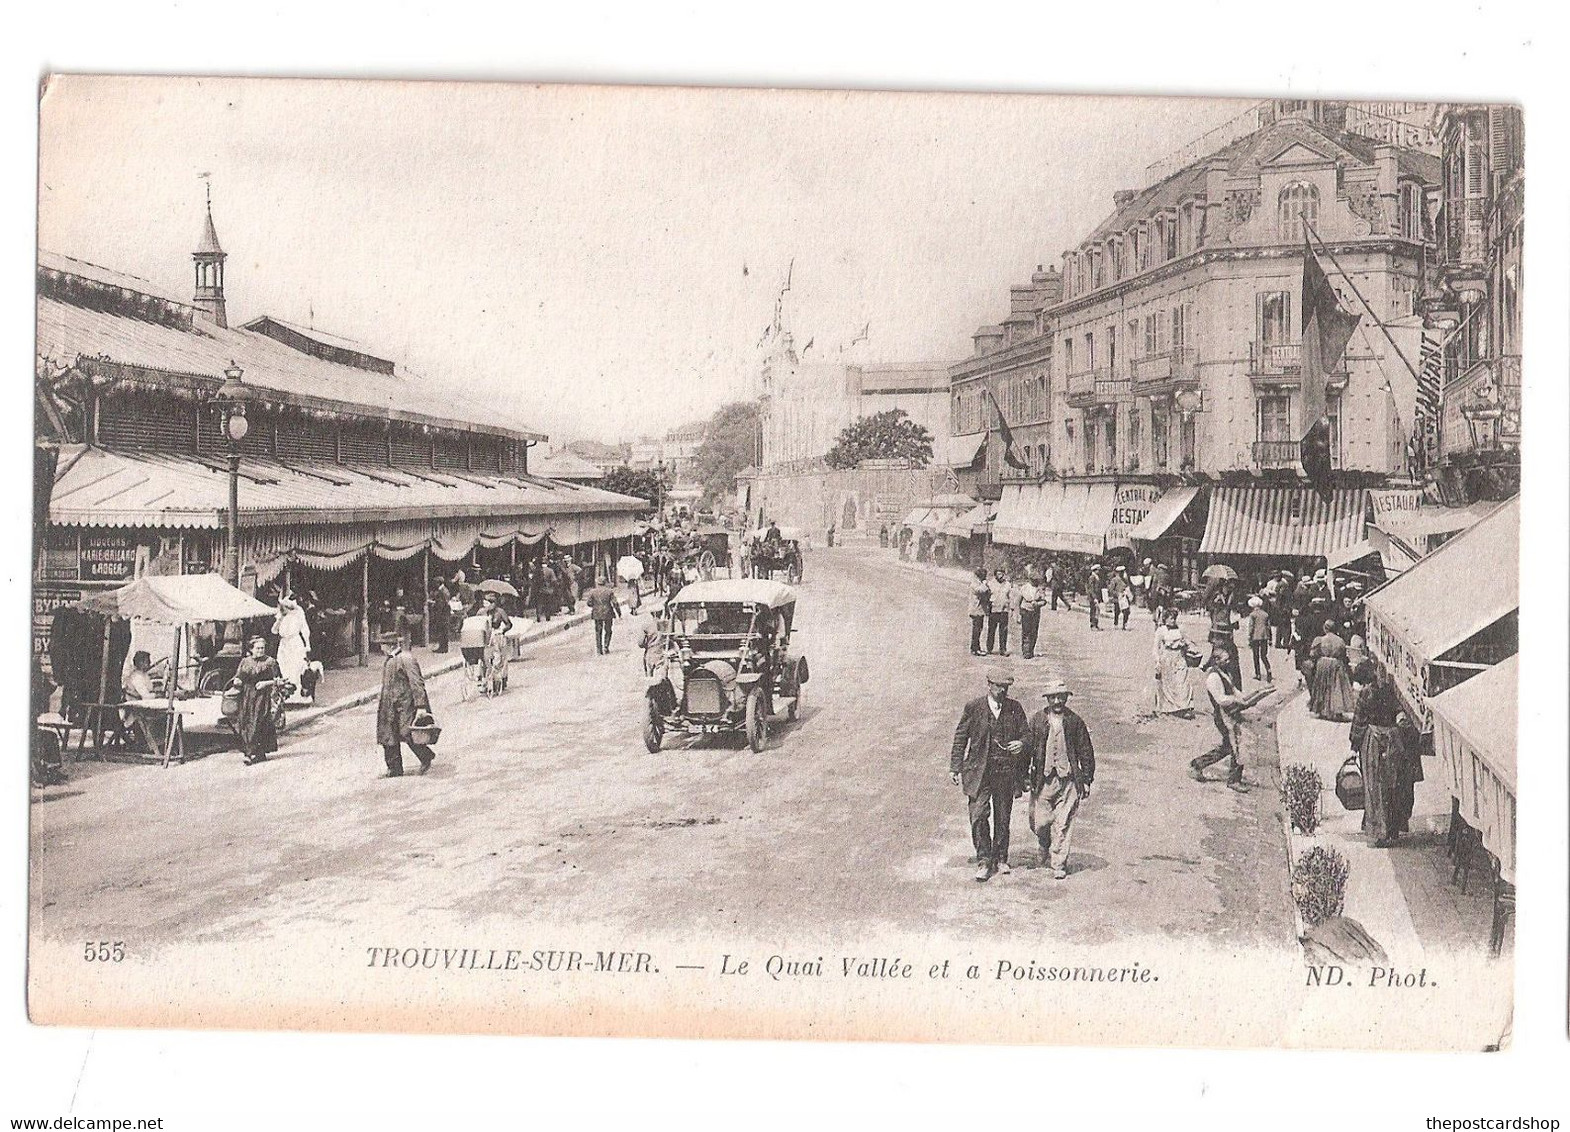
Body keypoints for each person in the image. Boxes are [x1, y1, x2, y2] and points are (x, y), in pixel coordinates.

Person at [950, 669, 1029, 882]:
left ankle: (1001, 857)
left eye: (1005, 687)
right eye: (998, 686)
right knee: (978, 815)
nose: (1002, 691)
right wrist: (955, 766)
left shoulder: (1015, 708)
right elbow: (961, 736)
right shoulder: (974, 708)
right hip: (979, 772)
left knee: (1003, 818)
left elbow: (1027, 734)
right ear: (989, 684)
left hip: (1005, 772)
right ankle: (984, 860)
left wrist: (1021, 743)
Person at [1025, 679, 1095, 879]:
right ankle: (1044, 843)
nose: (1057, 701)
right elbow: (1027, 749)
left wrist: (1087, 778)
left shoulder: (1074, 721)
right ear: (1047, 699)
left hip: (1068, 780)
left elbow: (1085, 750)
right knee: (1039, 822)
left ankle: (1058, 863)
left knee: (1063, 822)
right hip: (1043, 779)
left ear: (1066, 698)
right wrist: (1024, 776)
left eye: (1061, 697)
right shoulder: (1037, 720)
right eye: (1053, 697)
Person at [1190, 645, 1272, 792]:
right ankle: (1234, 780)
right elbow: (1221, 699)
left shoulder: (1222, 673)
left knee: (1229, 746)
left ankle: (1198, 764)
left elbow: (1233, 690)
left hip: (1230, 713)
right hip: (1223, 716)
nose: (1228, 662)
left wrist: (1246, 697)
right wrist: (1237, 700)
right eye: (1225, 660)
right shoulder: (1213, 677)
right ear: (1216, 660)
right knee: (1237, 745)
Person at [376, 631, 434, 777]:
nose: (381, 648)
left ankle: (425, 756)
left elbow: (417, 683)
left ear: (388, 646)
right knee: (388, 735)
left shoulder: (406, 658)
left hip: (406, 704)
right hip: (389, 704)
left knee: (408, 733)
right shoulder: (390, 660)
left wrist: (421, 706)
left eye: (382, 645)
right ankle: (394, 769)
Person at [232, 636, 283, 767]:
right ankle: (254, 752)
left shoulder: (270, 662)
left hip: (263, 696)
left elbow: (279, 680)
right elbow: (239, 676)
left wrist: (266, 683)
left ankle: (251, 754)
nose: (260, 651)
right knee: (245, 722)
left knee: (258, 723)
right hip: (247, 696)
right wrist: (237, 681)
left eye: (262, 648)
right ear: (251, 649)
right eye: (258, 648)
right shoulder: (245, 661)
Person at [1308, 619, 1355, 721]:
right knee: (1336, 687)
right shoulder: (1340, 641)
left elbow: (1312, 654)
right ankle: (1337, 711)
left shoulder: (1320, 639)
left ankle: (1322, 710)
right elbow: (1343, 655)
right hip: (1336, 663)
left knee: (1323, 686)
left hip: (1323, 664)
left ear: (1325, 628)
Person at [1153, 609, 1195, 717]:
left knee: (1183, 681)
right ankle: (1170, 708)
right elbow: (1155, 648)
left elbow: (1188, 642)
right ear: (1165, 619)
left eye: (1174, 618)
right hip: (1167, 657)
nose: (1173, 620)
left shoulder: (1180, 629)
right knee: (1168, 683)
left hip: (1179, 656)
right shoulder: (1161, 631)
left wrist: (1187, 646)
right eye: (1171, 618)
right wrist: (1157, 661)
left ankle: (1185, 707)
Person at [274, 595, 312, 698]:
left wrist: (307, 644)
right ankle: (287, 692)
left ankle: (298, 694)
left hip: (295, 642)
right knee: (283, 665)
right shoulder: (281, 616)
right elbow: (274, 631)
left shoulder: (298, 613)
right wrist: (279, 619)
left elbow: (305, 629)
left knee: (296, 666)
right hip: (284, 644)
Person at [584, 574, 623, 655]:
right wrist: (619, 613)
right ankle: (606, 646)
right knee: (608, 630)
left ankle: (599, 649)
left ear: (597, 583)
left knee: (598, 631)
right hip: (608, 613)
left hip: (597, 613)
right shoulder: (609, 591)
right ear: (605, 583)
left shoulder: (592, 592)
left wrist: (595, 606)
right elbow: (615, 603)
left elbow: (588, 603)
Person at [483, 594, 514, 691]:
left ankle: (502, 678)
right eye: (484, 603)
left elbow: (509, 624)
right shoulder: (482, 612)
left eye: (487, 603)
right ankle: (484, 678)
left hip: (497, 636)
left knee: (500, 657)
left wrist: (502, 631)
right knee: (485, 657)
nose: (485, 606)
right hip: (486, 637)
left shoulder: (500, 612)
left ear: (493, 604)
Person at [987, 568, 1014, 656]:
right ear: (995, 575)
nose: (1001, 576)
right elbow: (986, 597)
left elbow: (1011, 597)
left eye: (1002, 574)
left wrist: (1012, 608)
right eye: (998, 574)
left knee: (1003, 630)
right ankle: (989, 648)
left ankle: (1003, 649)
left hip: (1004, 610)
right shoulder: (990, 583)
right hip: (993, 610)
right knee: (991, 630)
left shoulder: (1008, 584)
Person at [1246, 595, 1273, 682]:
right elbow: (1268, 627)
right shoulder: (1265, 614)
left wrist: (1249, 637)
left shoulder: (1252, 615)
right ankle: (1269, 671)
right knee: (1264, 655)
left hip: (1255, 637)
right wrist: (1270, 638)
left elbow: (1251, 627)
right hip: (1264, 636)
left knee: (1256, 655)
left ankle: (1258, 674)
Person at [1017, 574, 1044, 660]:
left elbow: (1044, 601)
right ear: (1030, 580)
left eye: (1036, 580)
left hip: (1035, 612)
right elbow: (1018, 601)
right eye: (1033, 580)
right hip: (1025, 611)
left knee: (1034, 631)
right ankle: (1026, 651)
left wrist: (1038, 603)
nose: (1035, 582)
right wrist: (1017, 613)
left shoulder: (1040, 589)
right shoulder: (1024, 588)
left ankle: (1031, 650)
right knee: (1026, 631)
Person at [968, 568, 991, 656]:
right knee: (976, 630)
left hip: (979, 610)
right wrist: (985, 584)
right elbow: (981, 591)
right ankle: (975, 648)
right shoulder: (975, 584)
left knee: (978, 629)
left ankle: (976, 647)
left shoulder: (979, 583)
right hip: (976, 609)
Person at [430, 578, 453, 653]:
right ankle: (443, 647)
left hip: (442, 614)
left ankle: (443, 648)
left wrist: (434, 605)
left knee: (442, 630)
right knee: (443, 631)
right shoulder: (445, 590)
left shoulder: (441, 591)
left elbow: (441, 603)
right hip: (445, 613)